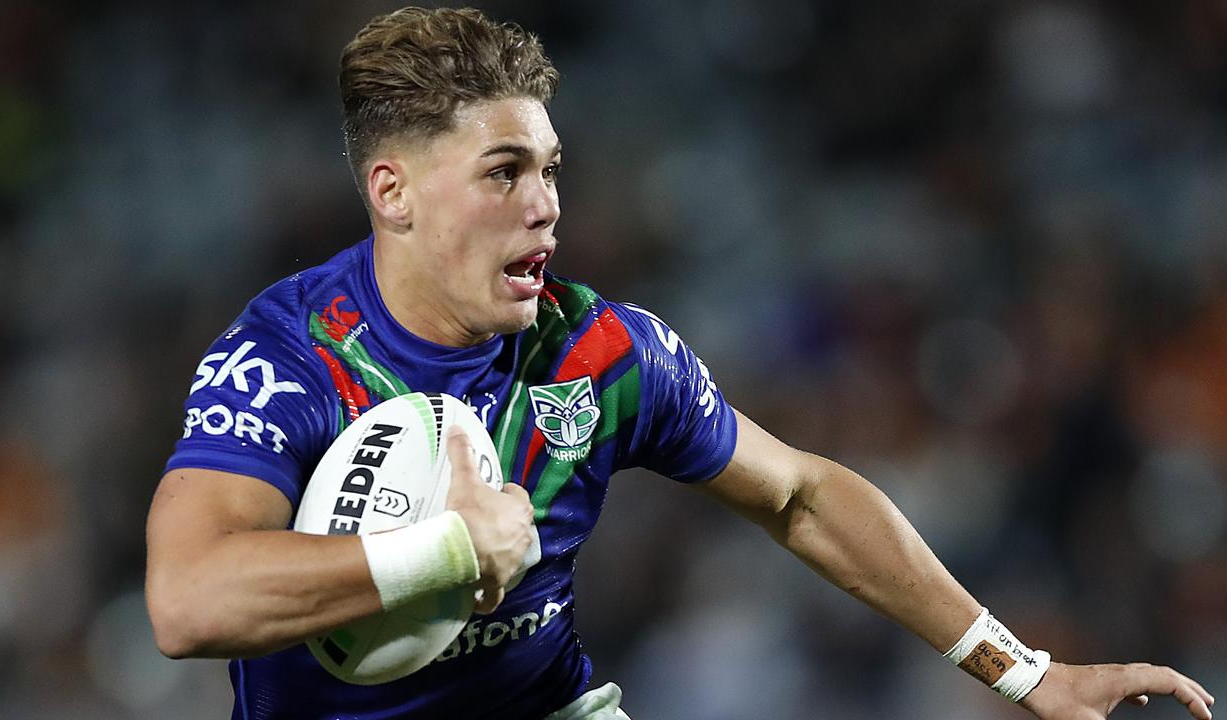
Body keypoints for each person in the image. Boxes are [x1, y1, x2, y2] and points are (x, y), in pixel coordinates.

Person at [144, 7, 1215, 720]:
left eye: (552, 170)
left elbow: (798, 496)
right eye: (504, 172)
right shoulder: (289, 355)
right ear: (393, 194)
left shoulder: (600, 351)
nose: (546, 206)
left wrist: (1022, 672)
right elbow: (187, 603)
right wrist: (443, 552)